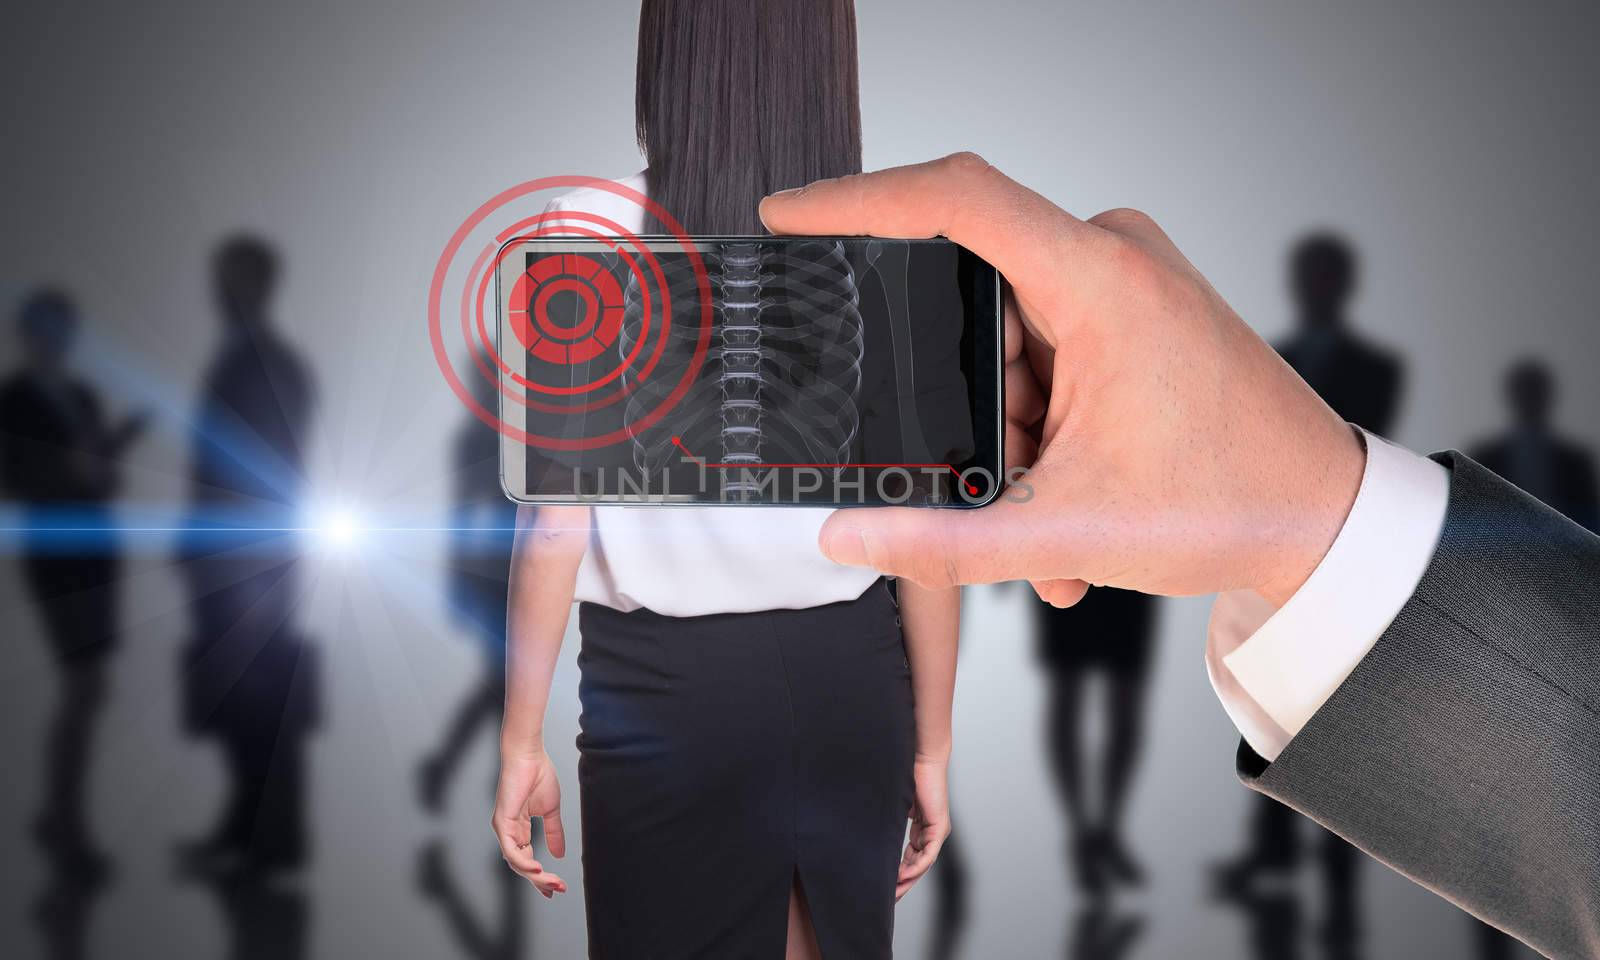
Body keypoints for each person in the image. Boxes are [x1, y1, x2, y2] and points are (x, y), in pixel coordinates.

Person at [749, 152, 1599, 958]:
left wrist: (1310, 513)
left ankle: (1104, 828)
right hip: (1079, 529)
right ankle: (1096, 826)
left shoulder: (1370, 365)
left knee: (1106, 697)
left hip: (1101, 533)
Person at [491, 4, 960, 959]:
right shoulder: (890, 232)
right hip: (851, 681)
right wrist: (932, 749)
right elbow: (923, 532)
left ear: (669, 51)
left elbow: (554, 528)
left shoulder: (585, 225)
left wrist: (518, 745)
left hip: (660, 698)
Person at [1214, 232, 1405, 954]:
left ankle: (1340, 885)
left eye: (1324, 274)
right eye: (1306, 273)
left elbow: (1363, 446)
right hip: (1265, 565)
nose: (1313, 284)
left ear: (1342, 283)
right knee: (1270, 716)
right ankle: (1271, 855)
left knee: (1347, 724)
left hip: (1351, 566)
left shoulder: (1376, 367)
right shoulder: (1270, 356)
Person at [177, 236, 318, 878]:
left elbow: (258, 469)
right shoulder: (256, 360)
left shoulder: (262, 365)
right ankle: (249, 832)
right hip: (241, 555)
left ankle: (267, 841)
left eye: (230, 279)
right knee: (241, 695)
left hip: (247, 559)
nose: (220, 291)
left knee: (258, 694)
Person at [0, 289, 145, 881]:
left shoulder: (83, 396)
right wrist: (73, 469)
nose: (55, 337)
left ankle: (60, 816)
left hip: (97, 552)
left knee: (91, 690)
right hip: (54, 553)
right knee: (84, 689)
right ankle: (65, 825)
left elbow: (102, 480)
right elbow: (12, 480)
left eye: (63, 326)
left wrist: (111, 458)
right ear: (27, 332)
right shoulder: (11, 401)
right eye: (44, 326)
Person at [417, 351, 519, 815]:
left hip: (510, 571)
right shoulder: (485, 439)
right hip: (495, 575)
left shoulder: (507, 436)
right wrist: (455, 580)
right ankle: (486, 780)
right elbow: (459, 517)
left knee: (505, 682)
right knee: (505, 682)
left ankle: (455, 769)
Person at [1469, 358, 1598, 533]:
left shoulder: (1575, 460)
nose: (1529, 398)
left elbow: (1589, 521)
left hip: (1564, 549)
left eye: (1534, 392)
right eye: (1524, 392)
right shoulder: (1486, 458)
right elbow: (1474, 515)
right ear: (1512, 397)